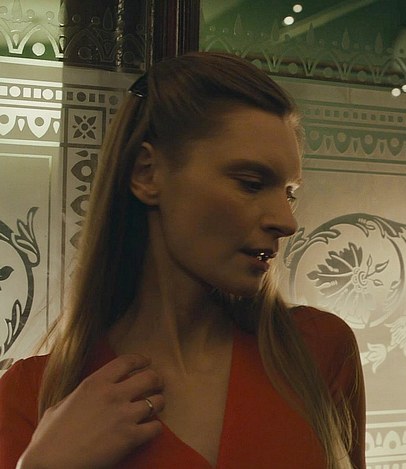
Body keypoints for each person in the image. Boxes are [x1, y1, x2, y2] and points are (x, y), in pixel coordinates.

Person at [0, 52, 365, 469]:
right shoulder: (34, 396)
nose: (287, 221)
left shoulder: (317, 350)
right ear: (147, 173)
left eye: (289, 193)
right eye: (251, 184)